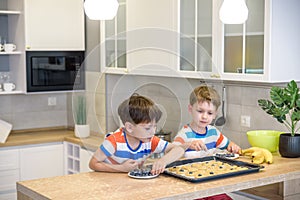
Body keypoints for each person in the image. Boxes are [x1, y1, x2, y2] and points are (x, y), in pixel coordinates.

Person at [89, 94, 185, 175]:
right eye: (147, 128)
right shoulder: (114, 141)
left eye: (154, 126)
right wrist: (121, 168)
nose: (153, 132)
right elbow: (93, 163)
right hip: (107, 183)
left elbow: (179, 149)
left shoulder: (150, 141)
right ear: (130, 127)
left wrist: (163, 161)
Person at [173, 85, 241, 156]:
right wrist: (188, 145)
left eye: (210, 113)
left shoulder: (214, 133)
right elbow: (170, 152)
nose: (204, 116)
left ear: (215, 114)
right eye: (200, 111)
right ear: (190, 109)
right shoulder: (184, 134)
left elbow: (228, 145)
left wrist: (233, 147)